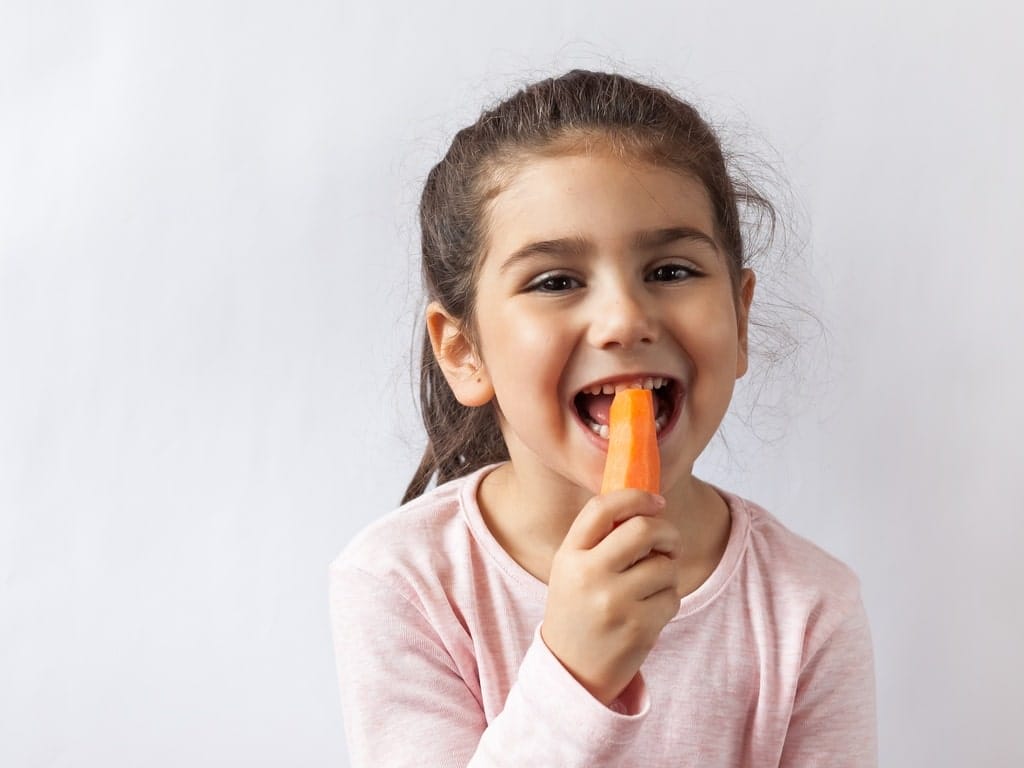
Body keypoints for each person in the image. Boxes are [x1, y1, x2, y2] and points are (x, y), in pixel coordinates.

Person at [329, 69, 877, 767]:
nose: (624, 319)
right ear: (465, 353)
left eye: (672, 271)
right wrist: (572, 675)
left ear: (740, 320)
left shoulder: (810, 607)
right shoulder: (402, 581)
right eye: (556, 281)